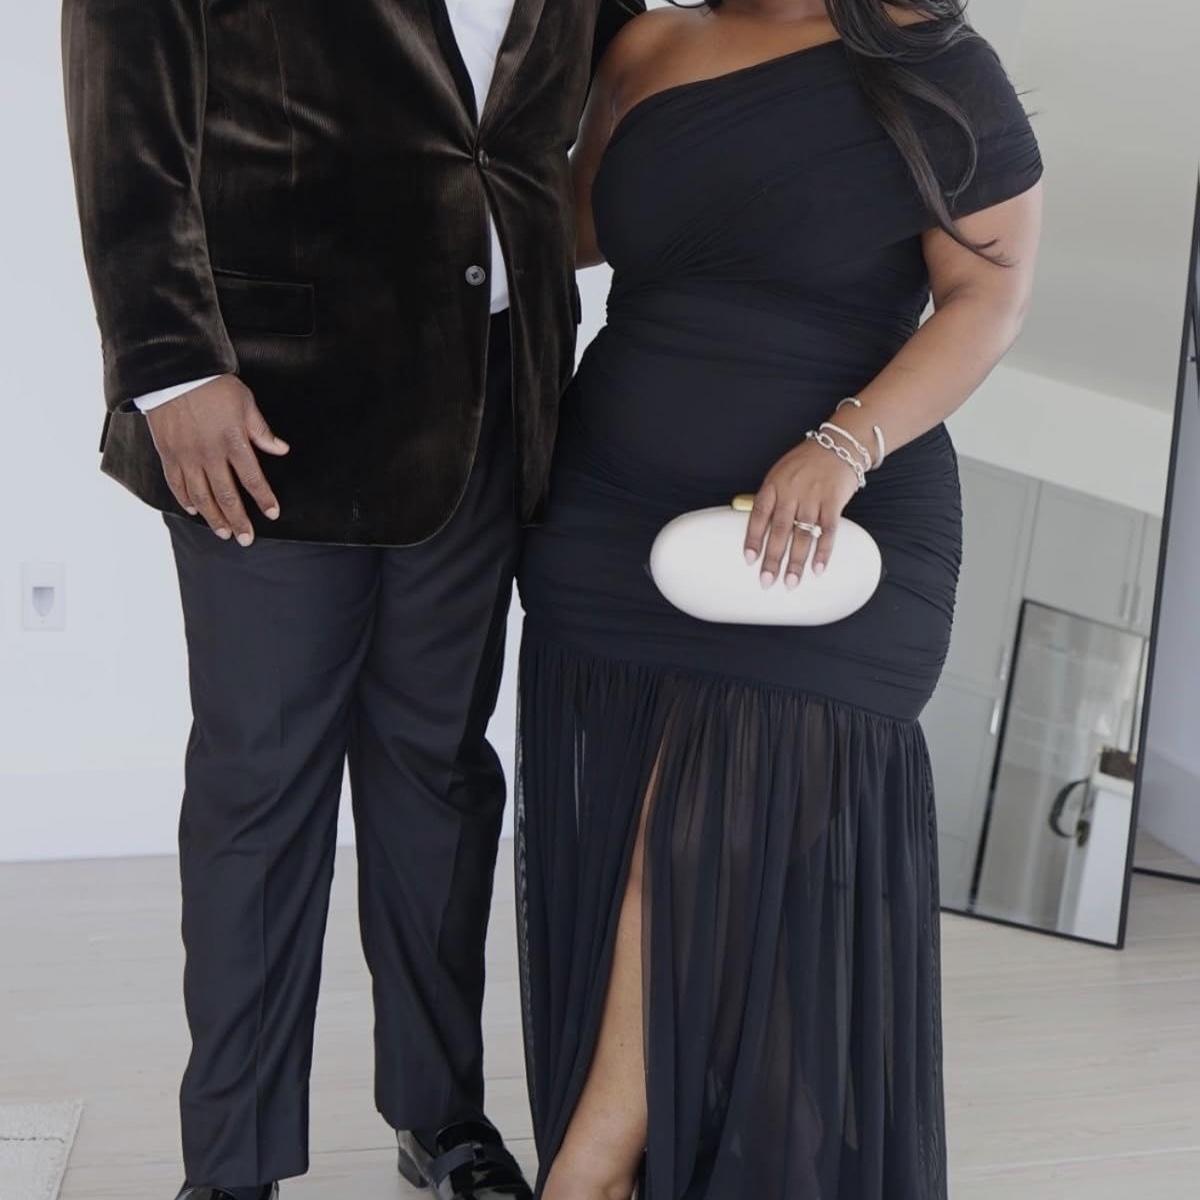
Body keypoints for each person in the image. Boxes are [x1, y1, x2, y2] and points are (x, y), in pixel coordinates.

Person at [61, 2, 642, 1198]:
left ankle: (442, 1115)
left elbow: (618, 70)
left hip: (493, 396)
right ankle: (234, 1165)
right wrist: (170, 367)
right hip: (271, 403)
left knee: (439, 775)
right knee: (263, 782)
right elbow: (126, 107)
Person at [515, 1, 1043, 1197]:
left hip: (834, 536)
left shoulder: (932, 58)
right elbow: (564, 227)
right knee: (659, 871)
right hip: (613, 524)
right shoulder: (648, 48)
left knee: (691, 856)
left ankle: (585, 1174)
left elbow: (989, 297)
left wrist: (844, 446)